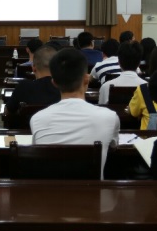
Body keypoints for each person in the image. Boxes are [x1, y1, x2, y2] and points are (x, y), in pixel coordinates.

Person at [30, 47, 119, 177]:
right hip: (92, 189)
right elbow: (113, 147)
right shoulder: (110, 117)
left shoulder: (37, 119)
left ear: (54, 83)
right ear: (86, 79)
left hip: (51, 189)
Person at [5, 45, 60, 114]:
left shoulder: (23, 87)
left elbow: (7, 111)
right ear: (57, 67)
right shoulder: (65, 88)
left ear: (33, 67)